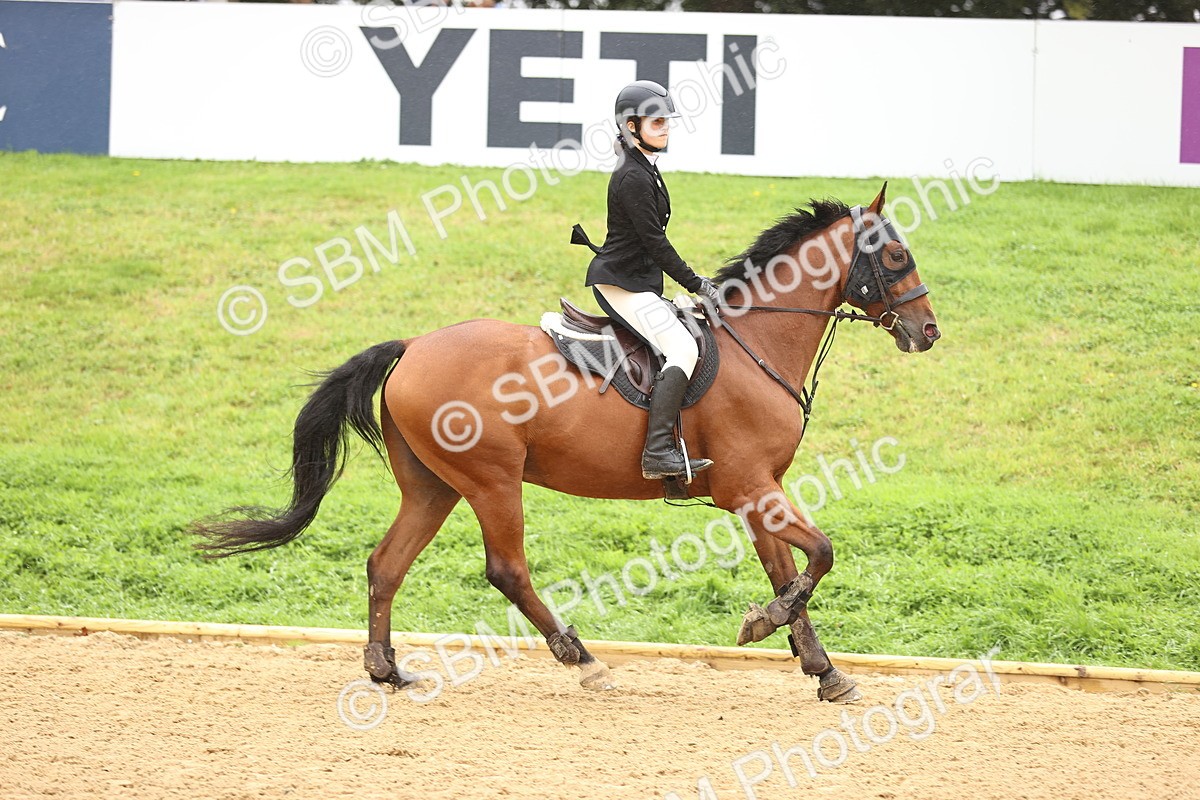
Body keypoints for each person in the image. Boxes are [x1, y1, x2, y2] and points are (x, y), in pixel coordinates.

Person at [582, 80, 722, 481]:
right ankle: (658, 452)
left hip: (638, 280)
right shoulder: (633, 177)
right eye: (657, 122)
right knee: (681, 348)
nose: (666, 128)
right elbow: (656, 243)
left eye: (667, 121)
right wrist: (698, 284)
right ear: (630, 126)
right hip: (620, 284)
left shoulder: (646, 168)